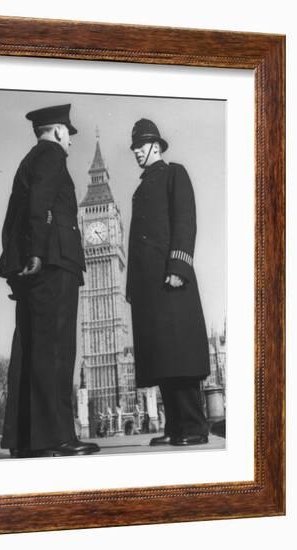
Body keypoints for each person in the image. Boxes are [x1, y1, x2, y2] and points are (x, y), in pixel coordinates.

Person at [0, 104, 100, 458]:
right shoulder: (52, 155)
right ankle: (57, 437)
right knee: (55, 351)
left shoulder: (28, 160)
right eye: (68, 133)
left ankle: (26, 440)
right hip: (54, 264)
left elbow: (13, 221)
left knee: (30, 351)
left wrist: (19, 264)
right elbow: (40, 203)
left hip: (33, 268)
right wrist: (39, 252)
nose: (69, 140)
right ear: (57, 131)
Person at [126, 118, 210, 447]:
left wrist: (178, 264)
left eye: (141, 146)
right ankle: (175, 427)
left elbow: (185, 219)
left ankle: (193, 427)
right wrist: (133, 287)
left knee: (181, 355)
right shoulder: (141, 186)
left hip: (171, 279)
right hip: (149, 287)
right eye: (133, 147)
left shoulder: (175, 173)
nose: (135, 152)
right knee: (163, 357)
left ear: (156, 147)